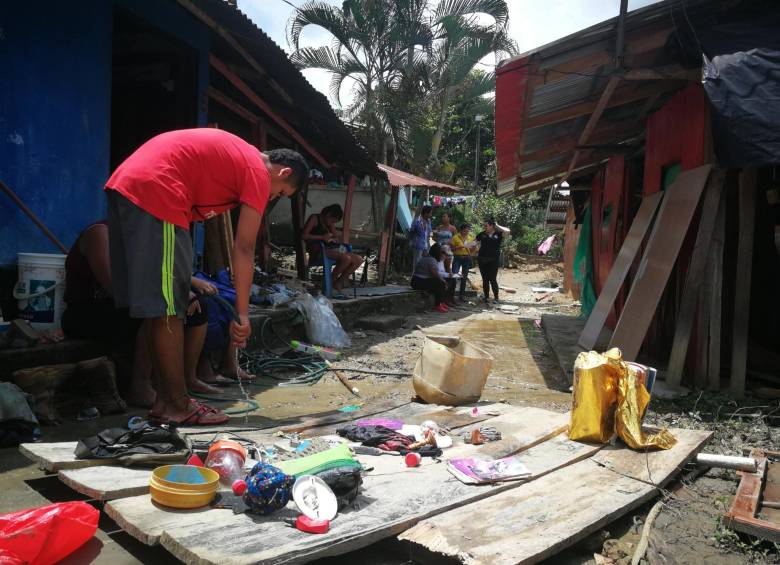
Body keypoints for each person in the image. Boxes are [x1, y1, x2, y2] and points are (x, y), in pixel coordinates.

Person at [105, 128, 308, 425]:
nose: (271, 197)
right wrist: (242, 315)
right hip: (158, 191)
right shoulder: (258, 171)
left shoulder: (239, 158)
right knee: (168, 308)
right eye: (279, 192)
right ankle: (177, 404)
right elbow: (244, 247)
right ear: (283, 172)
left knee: (158, 306)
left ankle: (164, 400)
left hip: (131, 186)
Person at [61, 221, 223, 407]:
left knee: (197, 306)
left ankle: (188, 378)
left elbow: (160, 272)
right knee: (153, 308)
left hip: (124, 308)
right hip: (87, 312)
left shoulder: (139, 239)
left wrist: (182, 287)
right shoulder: (100, 233)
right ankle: (140, 387)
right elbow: (114, 287)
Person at [302, 203, 363, 292]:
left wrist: (333, 239)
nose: (332, 223)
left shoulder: (329, 223)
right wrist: (322, 237)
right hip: (318, 249)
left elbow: (336, 237)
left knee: (358, 259)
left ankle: (338, 282)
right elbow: (304, 236)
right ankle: (328, 282)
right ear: (328, 214)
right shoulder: (314, 218)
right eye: (332, 221)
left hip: (331, 249)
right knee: (346, 258)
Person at [475, 218, 511, 304]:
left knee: (492, 279)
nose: (484, 227)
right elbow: (474, 242)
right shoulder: (482, 234)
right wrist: (466, 245)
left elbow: (508, 231)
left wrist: (497, 225)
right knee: (485, 279)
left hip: (493, 260)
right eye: (484, 225)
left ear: (492, 226)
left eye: (486, 225)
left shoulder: (498, 234)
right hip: (482, 259)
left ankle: (496, 298)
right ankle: (486, 297)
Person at [411, 243, 449, 313]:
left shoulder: (427, 257)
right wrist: (443, 280)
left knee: (441, 282)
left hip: (417, 281)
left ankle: (440, 302)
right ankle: (437, 305)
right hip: (418, 282)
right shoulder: (431, 260)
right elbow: (435, 273)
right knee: (441, 283)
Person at [451, 223, 476, 301]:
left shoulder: (470, 238)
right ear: (461, 230)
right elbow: (451, 249)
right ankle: (451, 294)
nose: (466, 232)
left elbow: (472, 250)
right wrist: (459, 247)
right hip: (457, 257)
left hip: (466, 258)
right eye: (465, 231)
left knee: (464, 277)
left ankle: (462, 295)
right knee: (454, 276)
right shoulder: (455, 237)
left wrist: (473, 247)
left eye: (468, 231)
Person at [410, 205, 433, 273]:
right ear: (426, 213)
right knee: (417, 263)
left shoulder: (429, 221)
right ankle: (415, 277)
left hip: (426, 246)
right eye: (430, 213)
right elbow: (411, 231)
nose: (431, 215)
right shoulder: (417, 220)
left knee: (424, 263)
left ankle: (421, 276)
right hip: (418, 245)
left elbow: (429, 233)